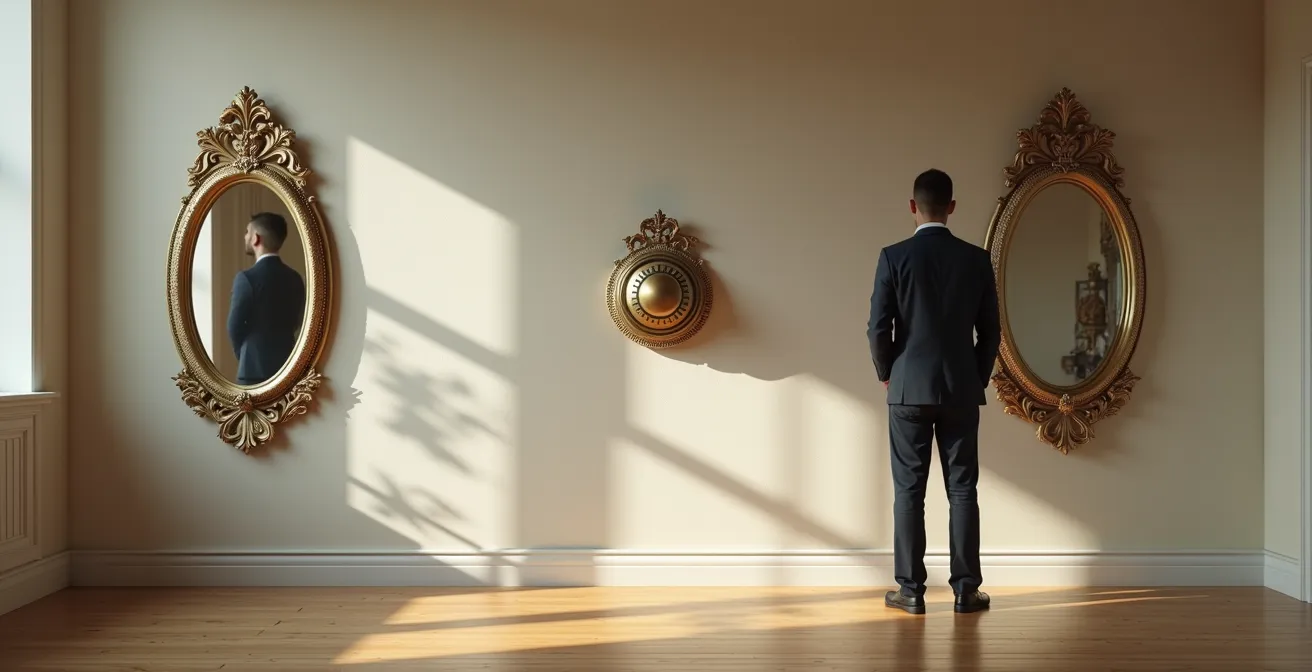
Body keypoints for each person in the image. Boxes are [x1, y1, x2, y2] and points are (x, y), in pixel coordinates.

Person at [867, 169, 1001, 615]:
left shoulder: (893, 257)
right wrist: (975, 377)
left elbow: (877, 328)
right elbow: (992, 331)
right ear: (952, 207)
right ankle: (966, 590)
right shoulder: (976, 259)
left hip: (907, 388)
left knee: (909, 491)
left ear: (913, 206)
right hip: (960, 388)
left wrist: (888, 372)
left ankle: (910, 591)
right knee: (963, 490)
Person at [226, 212, 306, 386]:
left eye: (247, 232)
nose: (245, 236)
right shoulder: (295, 278)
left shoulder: (246, 278)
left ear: (256, 238)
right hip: (289, 367)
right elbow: (298, 321)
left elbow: (234, 326)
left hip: (252, 372)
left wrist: (246, 354)